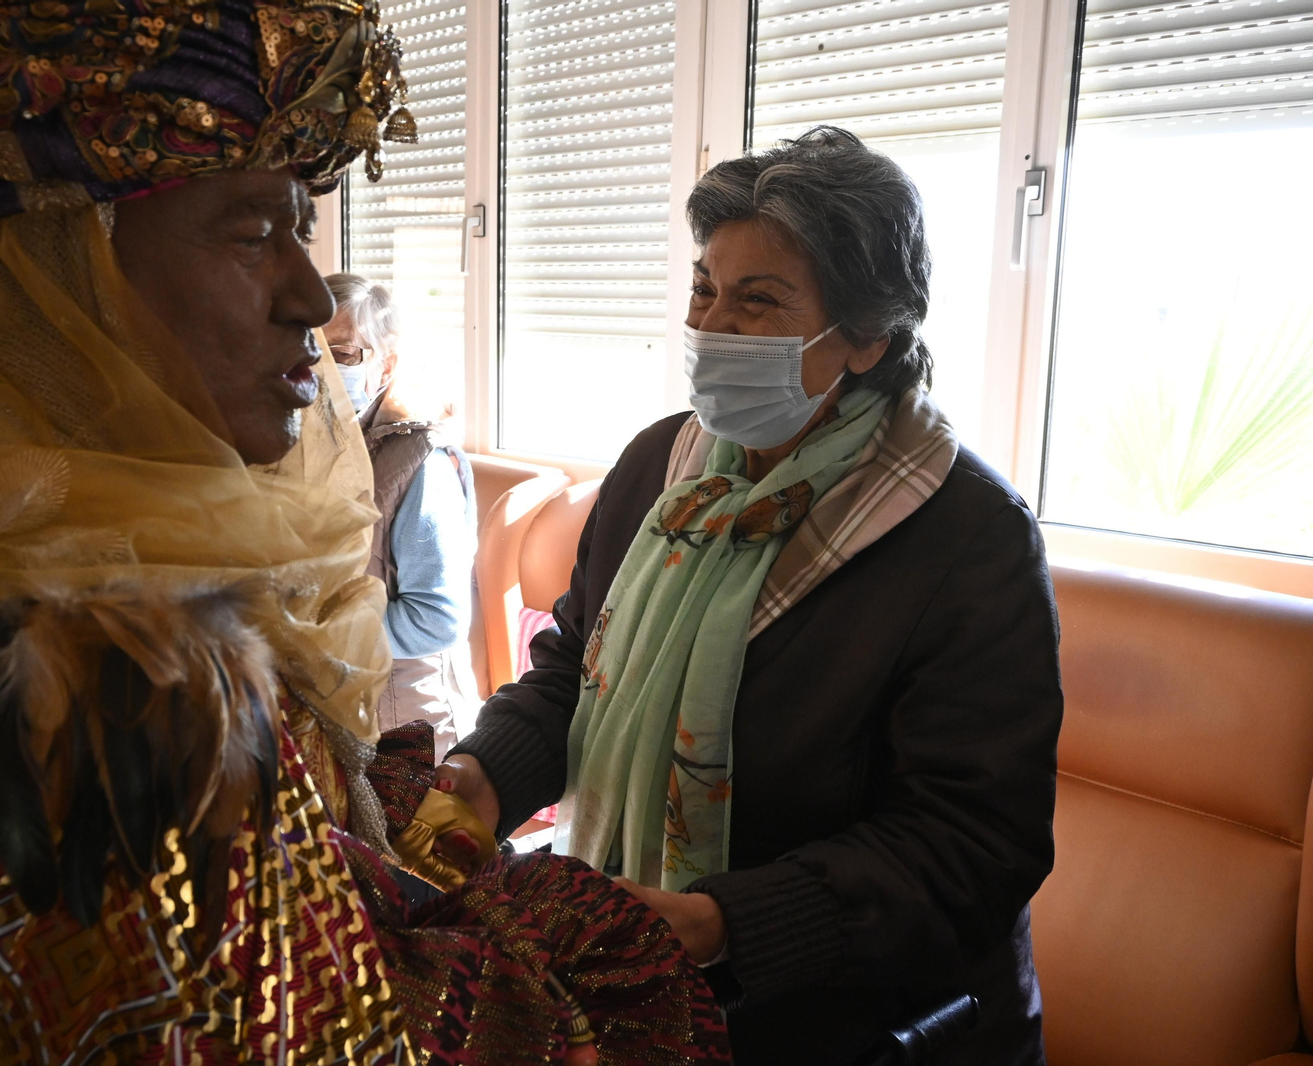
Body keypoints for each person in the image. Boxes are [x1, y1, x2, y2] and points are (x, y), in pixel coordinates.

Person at [0, 3, 729, 1064]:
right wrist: (577, 945)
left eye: (302, 224)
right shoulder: (125, 685)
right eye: (251, 232)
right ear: (65, 268)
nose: (302, 292)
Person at [438, 127, 1063, 1065]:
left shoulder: (965, 537)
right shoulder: (665, 464)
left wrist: (721, 924)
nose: (711, 329)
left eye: (758, 302)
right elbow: (576, 665)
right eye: (703, 291)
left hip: (861, 1021)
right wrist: (485, 775)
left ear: (867, 339)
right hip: (633, 979)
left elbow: (970, 844)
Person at [324, 272, 479, 762]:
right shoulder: (319, 445)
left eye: (343, 354)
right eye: (310, 352)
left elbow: (436, 619)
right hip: (343, 705)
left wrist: (320, 639)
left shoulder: (421, 464)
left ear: (386, 363)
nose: (322, 370)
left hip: (408, 723)